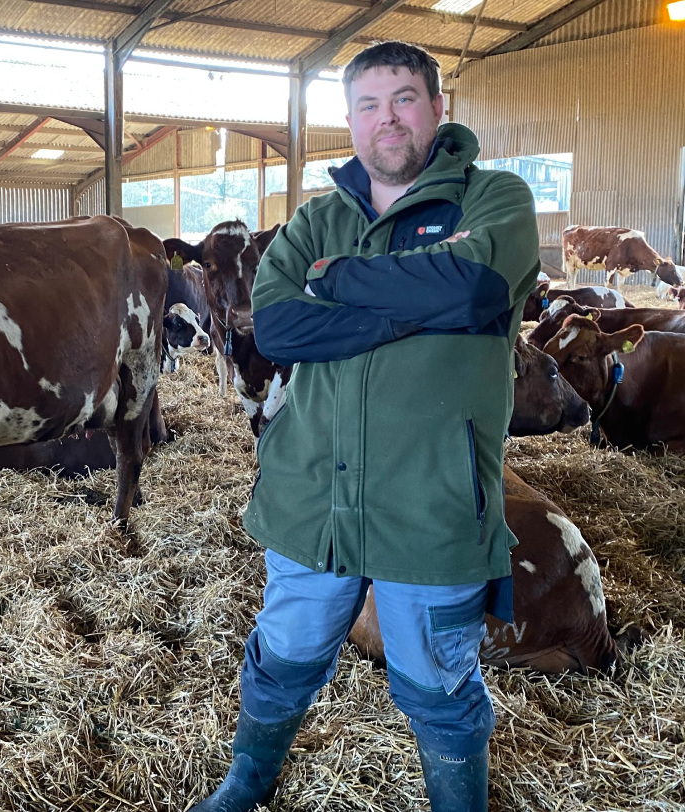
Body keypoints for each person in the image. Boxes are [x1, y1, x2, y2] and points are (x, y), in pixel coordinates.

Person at [189, 41, 540, 812]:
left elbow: (474, 284)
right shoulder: (317, 218)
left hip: (435, 502)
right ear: (349, 120)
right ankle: (249, 778)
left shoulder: (496, 200)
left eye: (406, 99)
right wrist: (418, 312)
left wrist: (340, 282)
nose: (389, 119)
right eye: (370, 105)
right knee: (281, 659)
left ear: (437, 110)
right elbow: (279, 330)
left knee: (439, 686)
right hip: (312, 497)